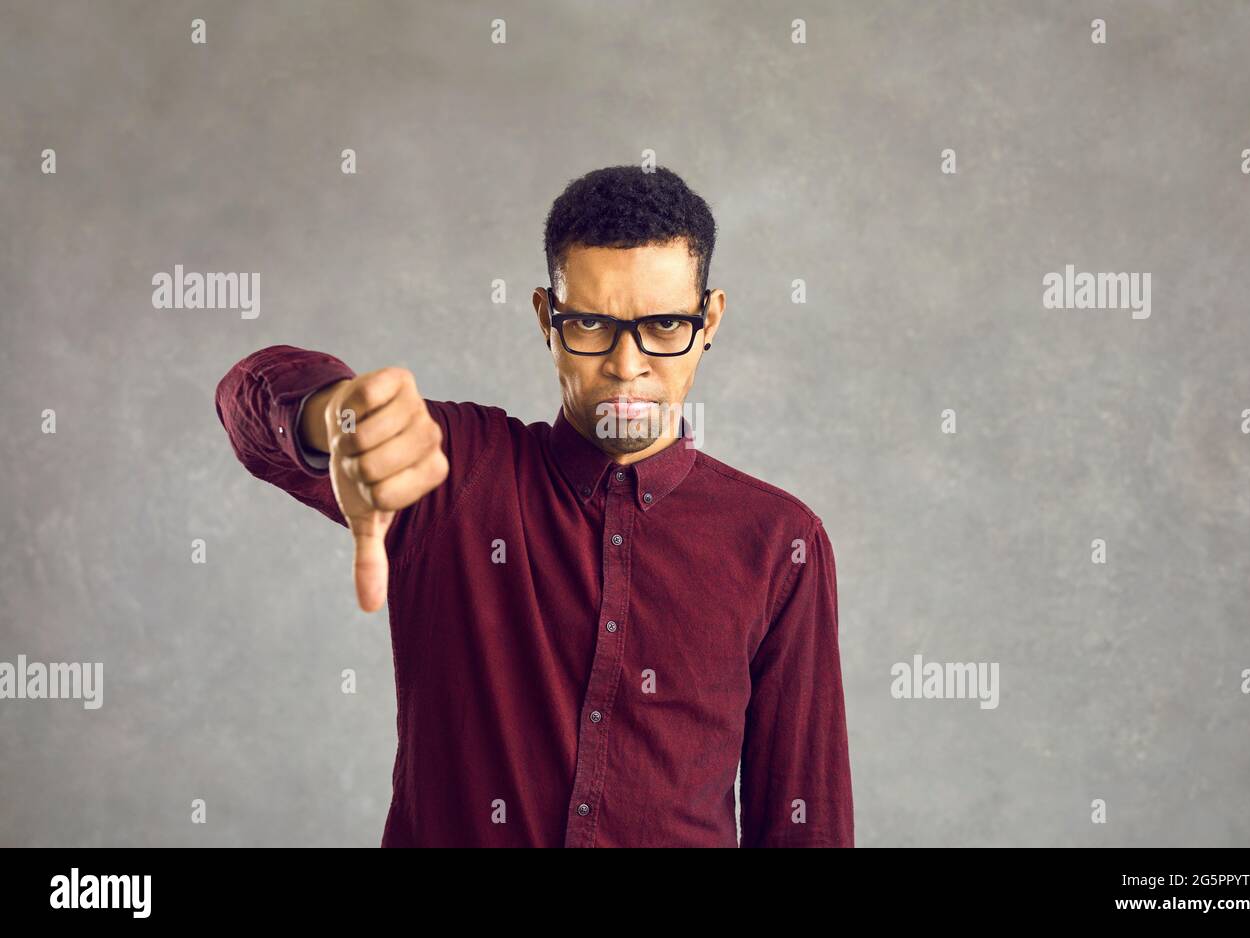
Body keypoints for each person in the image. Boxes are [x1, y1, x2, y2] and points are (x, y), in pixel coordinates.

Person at [215, 165, 853, 847]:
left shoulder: (779, 541)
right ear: (548, 319)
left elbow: (804, 822)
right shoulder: (451, 472)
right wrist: (334, 416)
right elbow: (247, 395)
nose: (626, 363)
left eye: (664, 325)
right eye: (591, 324)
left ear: (709, 321)